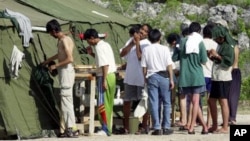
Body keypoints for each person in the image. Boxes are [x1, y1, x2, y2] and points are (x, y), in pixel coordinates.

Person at [42, 19, 78, 137]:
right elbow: (60, 54)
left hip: (66, 72)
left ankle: (71, 129)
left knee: (66, 101)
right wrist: (47, 60)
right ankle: (70, 128)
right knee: (66, 101)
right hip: (65, 72)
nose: (51, 35)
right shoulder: (64, 40)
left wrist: (55, 65)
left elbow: (69, 59)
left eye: (50, 33)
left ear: (53, 31)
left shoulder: (64, 40)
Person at [172, 22, 208, 134]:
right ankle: (191, 126)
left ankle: (205, 128)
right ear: (199, 31)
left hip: (185, 76)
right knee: (195, 102)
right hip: (197, 75)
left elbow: (174, 58)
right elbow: (204, 60)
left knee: (193, 101)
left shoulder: (182, 42)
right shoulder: (200, 42)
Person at [83, 28, 117, 136]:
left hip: (105, 75)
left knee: (102, 103)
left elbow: (105, 64)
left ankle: (105, 128)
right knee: (109, 103)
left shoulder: (98, 47)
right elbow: (102, 60)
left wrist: (104, 80)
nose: (88, 43)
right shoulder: (105, 45)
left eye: (88, 40)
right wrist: (91, 54)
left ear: (92, 38)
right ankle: (107, 128)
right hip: (112, 75)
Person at [119, 24, 152, 134]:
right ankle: (127, 126)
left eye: (145, 31)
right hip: (130, 77)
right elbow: (122, 54)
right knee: (127, 101)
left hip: (141, 78)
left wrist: (137, 43)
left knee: (143, 102)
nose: (142, 32)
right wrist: (132, 43)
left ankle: (143, 126)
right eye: (141, 29)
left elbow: (140, 57)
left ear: (148, 34)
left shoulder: (147, 44)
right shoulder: (131, 41)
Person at [141, 28, 174, 135]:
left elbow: (144, 67)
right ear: (160, 37)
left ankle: (156, 127)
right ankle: (166, 126)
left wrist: (145, 77)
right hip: (164, 76)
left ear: (149, 38)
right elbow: (169, 65)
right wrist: (171, 79)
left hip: (152, 76)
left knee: (154, 102)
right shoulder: (165, 49)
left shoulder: (146, 50)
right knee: (167, 102)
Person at [208, 25, 235, 134]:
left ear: (222, 37)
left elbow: (228, 62)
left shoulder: (228, 46)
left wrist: (217, 55)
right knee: (211, 100)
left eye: (217, 38)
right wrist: (212, 55)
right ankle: (214, 124)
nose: (215, 40)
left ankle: (225, 126)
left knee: (223, 101)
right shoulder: (220, 45)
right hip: (216, 77)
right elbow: (219, 59)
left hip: (223, 77)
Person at [202, 24, 218, 128]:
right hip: (212, 73)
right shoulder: (216, 44)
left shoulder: (200, 43)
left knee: (196, 99)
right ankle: (209, 122)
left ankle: (194, 121)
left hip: (201, 73)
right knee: (210, 100)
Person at [166, 33, 183, 126]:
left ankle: (181, 117)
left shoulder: (180, 49)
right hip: (171, 73)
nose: (173, 43)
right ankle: (170, 117)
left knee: (181, 96)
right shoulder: (168, 50)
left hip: (180, 73)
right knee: (171, 97)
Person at [228, 45, 242, 125]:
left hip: (233, 71)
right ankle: (229, 118)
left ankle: (232, 118)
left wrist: (230, 70)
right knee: (227, 96)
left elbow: (235, 60)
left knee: (233, 96)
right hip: (230, 71)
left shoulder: (234, 46)